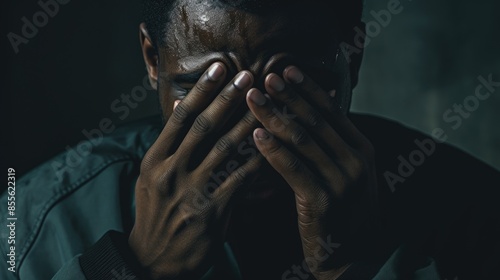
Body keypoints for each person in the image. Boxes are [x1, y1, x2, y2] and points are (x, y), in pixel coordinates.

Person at [2, 0, 499, 279]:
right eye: (209, 90)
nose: (254, 135)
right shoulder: (28, 223)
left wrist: (359, 267)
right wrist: (131, 271)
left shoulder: (476, 214)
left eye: (292, 88)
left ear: (354, 58)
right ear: (154, 60)